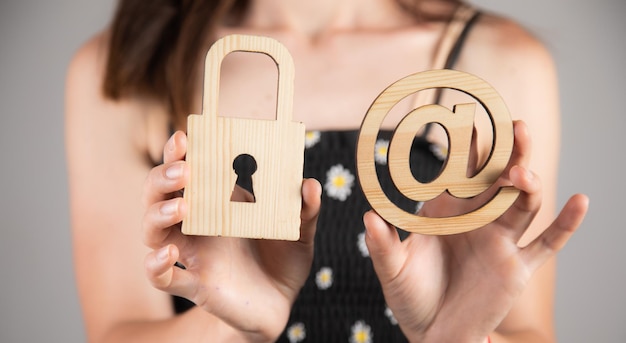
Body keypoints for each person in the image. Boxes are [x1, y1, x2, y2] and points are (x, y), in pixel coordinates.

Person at [65, 0, 589, 342]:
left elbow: (524, 331)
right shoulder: (129, 64)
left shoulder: (501, 59)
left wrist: (453, 333)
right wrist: (232, 325)